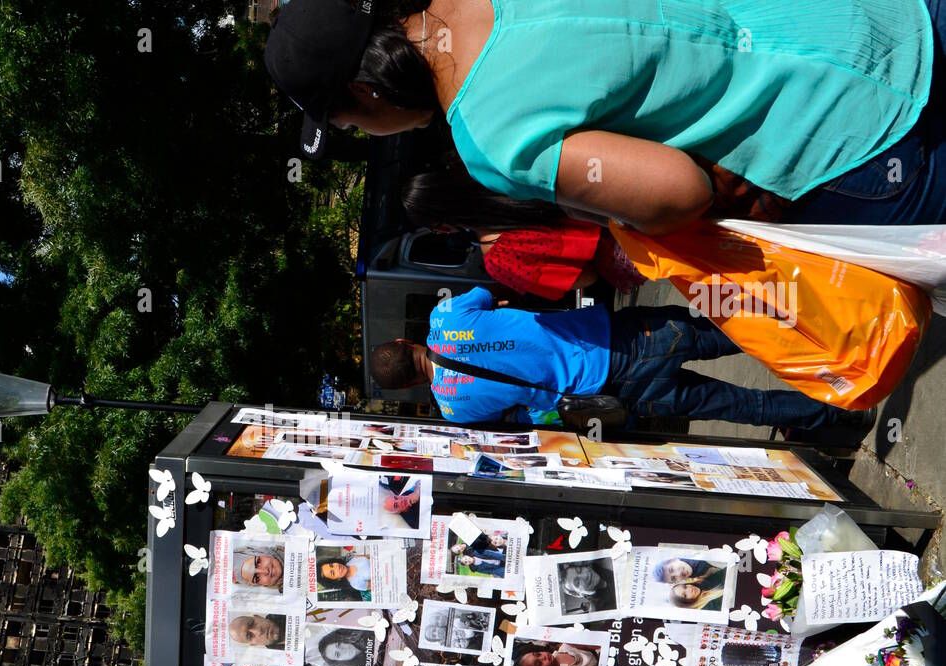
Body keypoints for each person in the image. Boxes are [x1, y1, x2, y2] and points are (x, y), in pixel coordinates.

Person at [266, 0, 946, 231]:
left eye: (353, 127)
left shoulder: (490, 140)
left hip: (838, 137)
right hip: (865, 15)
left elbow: (678, 191)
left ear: (367, 95)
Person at [368, 286, 876, 440]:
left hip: (621, 392)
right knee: (742, 332)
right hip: (623, 334)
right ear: (403, 339)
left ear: (410, 388)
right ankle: (852, 332)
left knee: (743, 406)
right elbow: (494, 296)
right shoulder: (448, 313)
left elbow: (520, 421)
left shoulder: (455, 412)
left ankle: (847, 416)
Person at [401, 161, 646, 299]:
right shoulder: (499, 168)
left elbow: (586, 278)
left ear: (443, 227)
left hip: (632, 256)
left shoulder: (500, 259)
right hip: (631, 192)